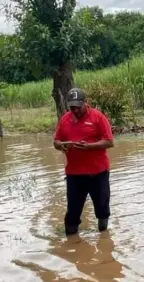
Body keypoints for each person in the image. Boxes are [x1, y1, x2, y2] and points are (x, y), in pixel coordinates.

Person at [53, 88, 114, 236]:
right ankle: (72, 240)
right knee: (73, 212)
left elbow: (109, 142)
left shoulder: (98, 117)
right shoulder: (65, 119)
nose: (75, 110)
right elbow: (56, 141)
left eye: (77, 107)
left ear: (85, 103)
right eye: (72, 107)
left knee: (102, 209)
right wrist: (61, 145)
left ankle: (104, 236)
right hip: (74, 174)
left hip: (98, 172)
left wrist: (88, 147)